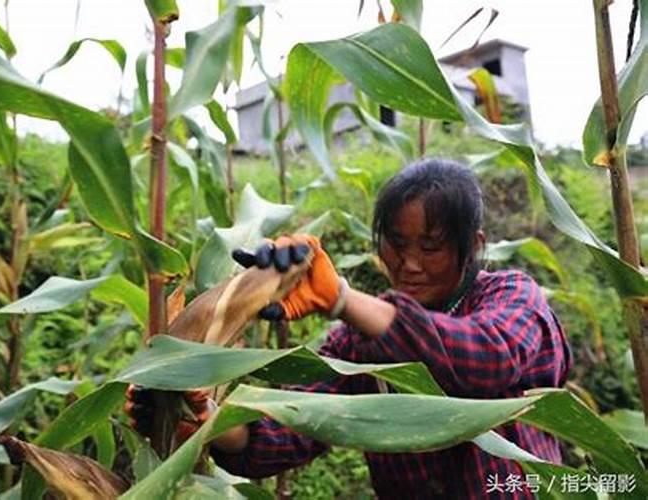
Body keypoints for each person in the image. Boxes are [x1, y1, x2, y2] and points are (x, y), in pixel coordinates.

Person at [126, 158, 572, 499]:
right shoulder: (360, 341)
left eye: (431, 247)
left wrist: (339, 298)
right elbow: (289, 429)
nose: (409, 263)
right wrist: (204, 421)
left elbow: (484, 362)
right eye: (396, 245)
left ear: (473, 245)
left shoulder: (512, 297)